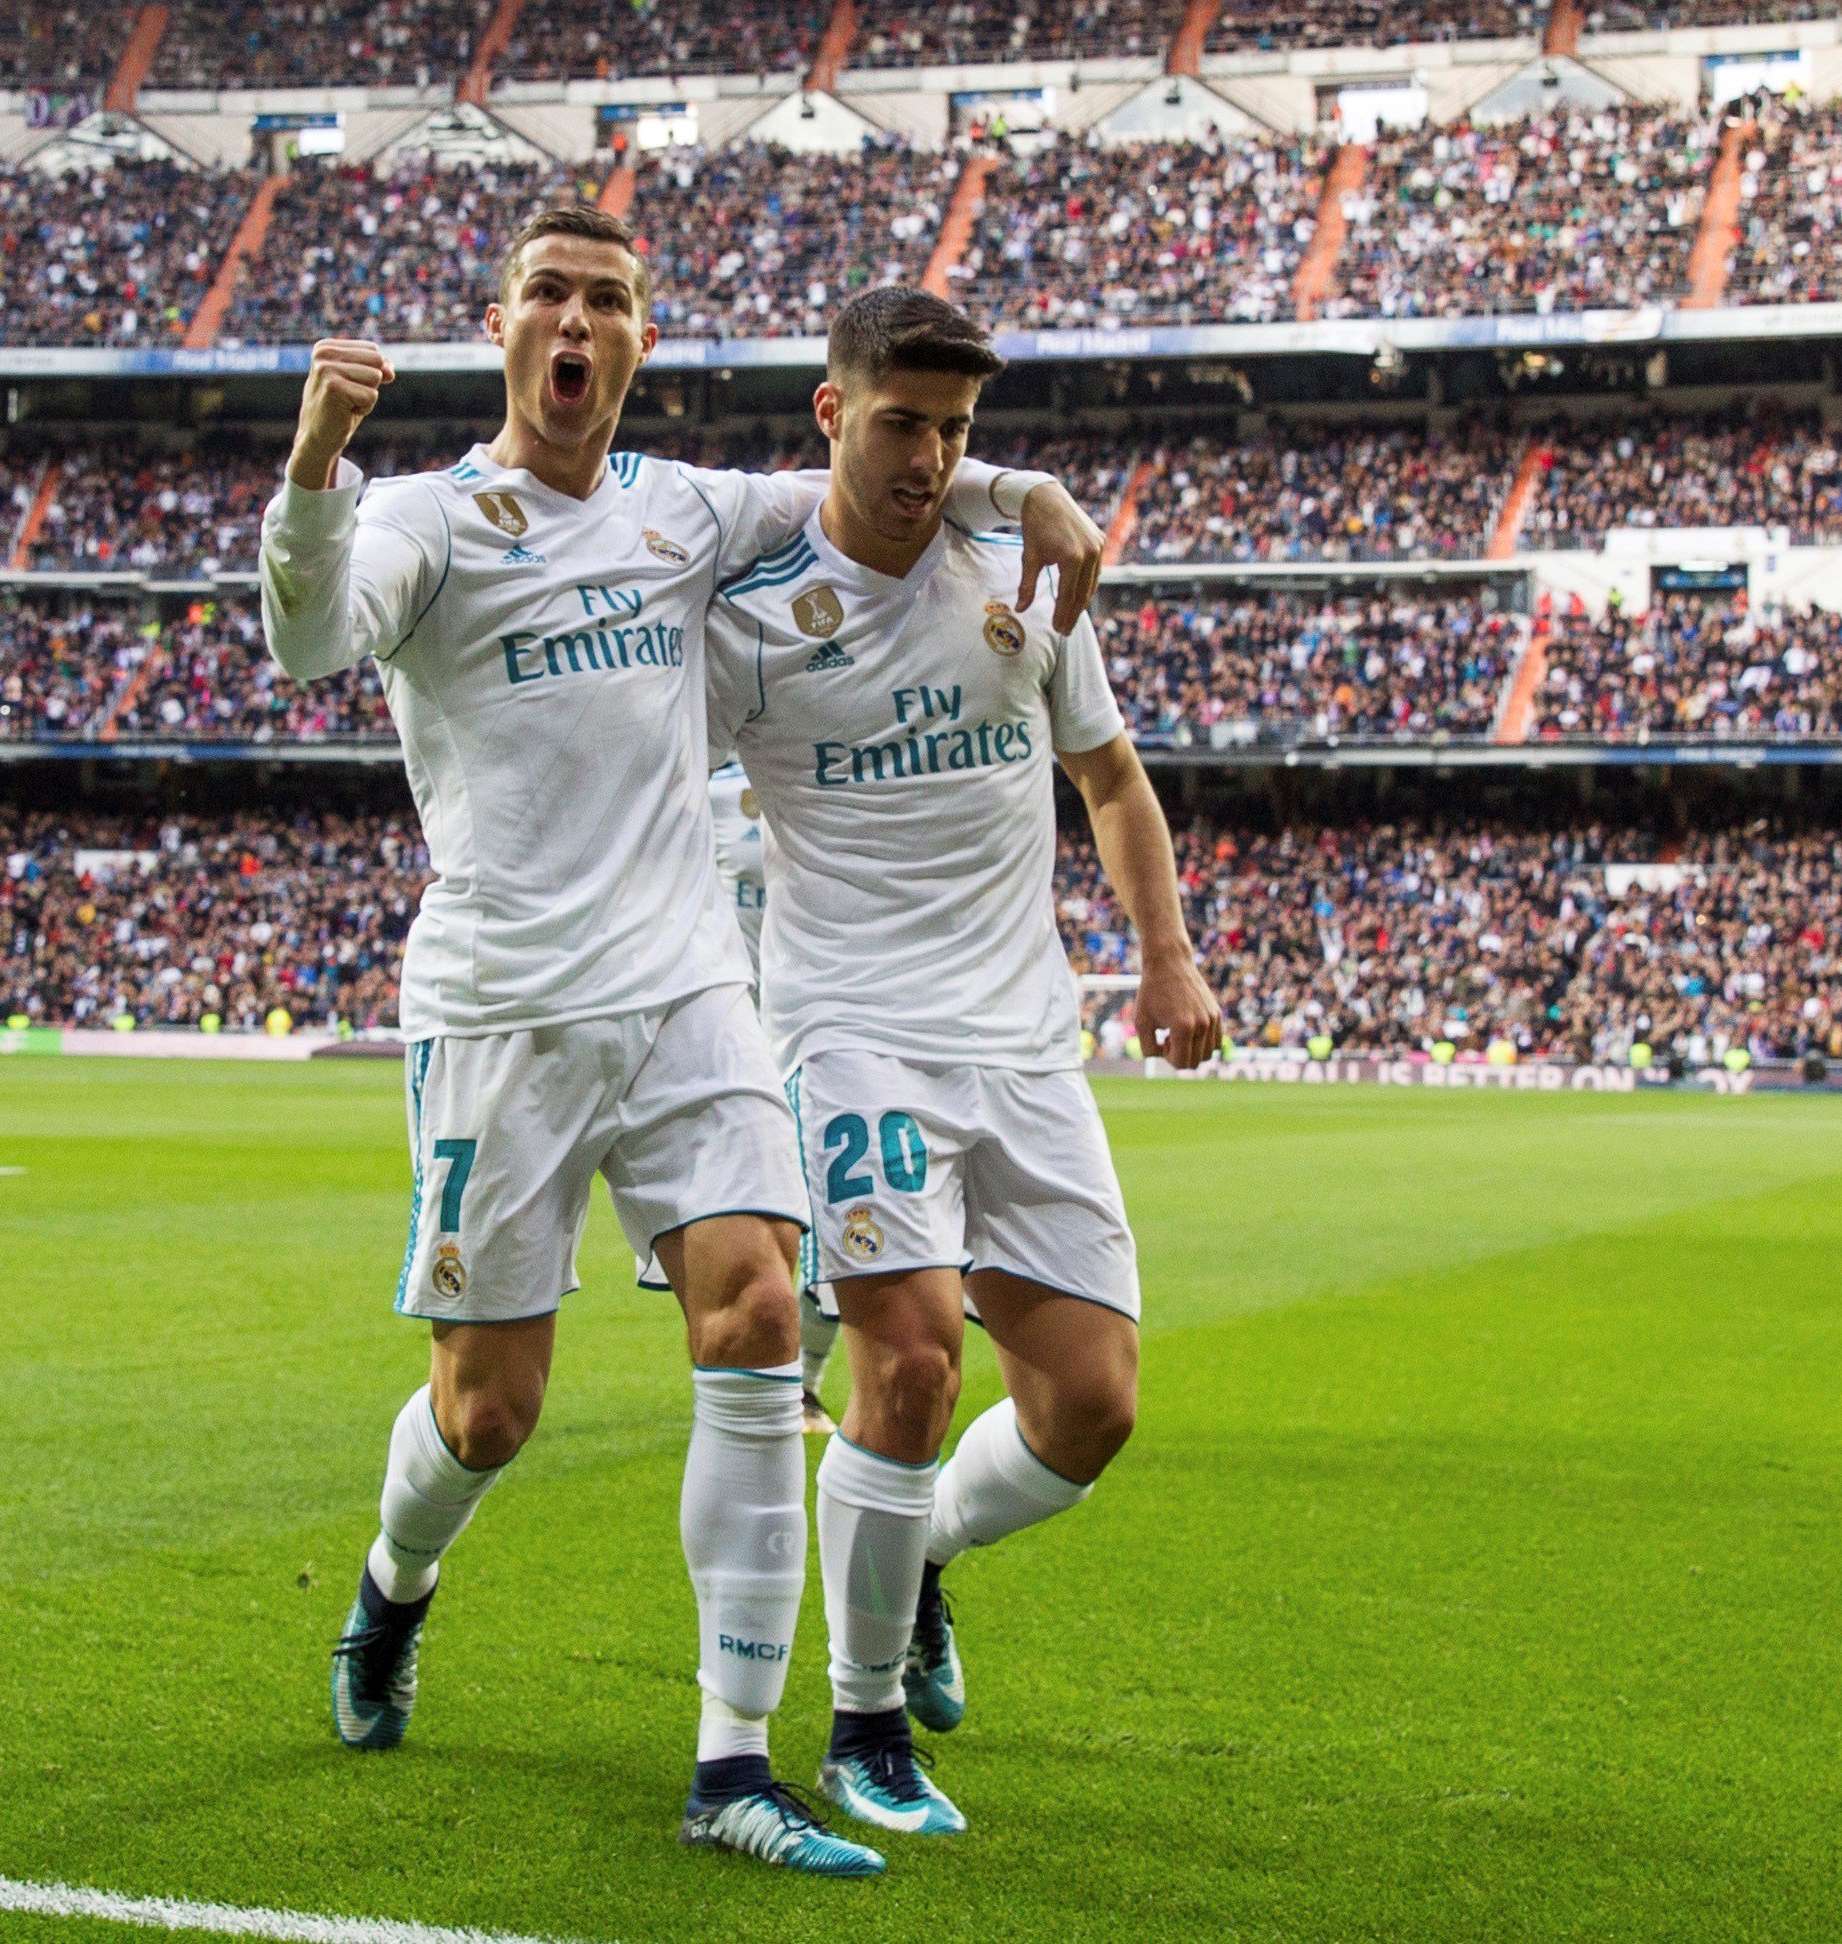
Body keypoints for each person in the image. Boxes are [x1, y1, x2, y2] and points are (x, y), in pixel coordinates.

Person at [258, 205, 1106, 1877]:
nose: (579, 322)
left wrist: (1023, 493)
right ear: (503, 323)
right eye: (551, 295)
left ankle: (730, 1760)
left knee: (759, 1309)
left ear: (640, 341)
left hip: (690, 991)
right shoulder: (423, 515)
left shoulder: (682, 508)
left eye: (612, 302)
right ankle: (391, 1583)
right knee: (490, 1408)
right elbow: (306, 642)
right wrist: (312, 467)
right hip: (501, 1005)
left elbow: (878, 477)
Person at [702, 287, 1223, 1839]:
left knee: (1090, 1406)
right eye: (900, 422)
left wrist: (1166, 953)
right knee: (913, 1360)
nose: (930, 458)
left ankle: (918, 1551)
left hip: (1022, 1037)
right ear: (830, 414)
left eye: (957, 432)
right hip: (848, 1028)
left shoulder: (1022, 573)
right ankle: (862, 1731)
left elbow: (1110, 779)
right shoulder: (748, 612)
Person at [706, 762, 843, 1437]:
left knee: (834, 1217)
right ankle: (755, 1376)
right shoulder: (697, 782)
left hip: (819, 1027)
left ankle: (802, 1384)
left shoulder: (825, 749)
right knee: (754, 1227)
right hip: (724, 1037)